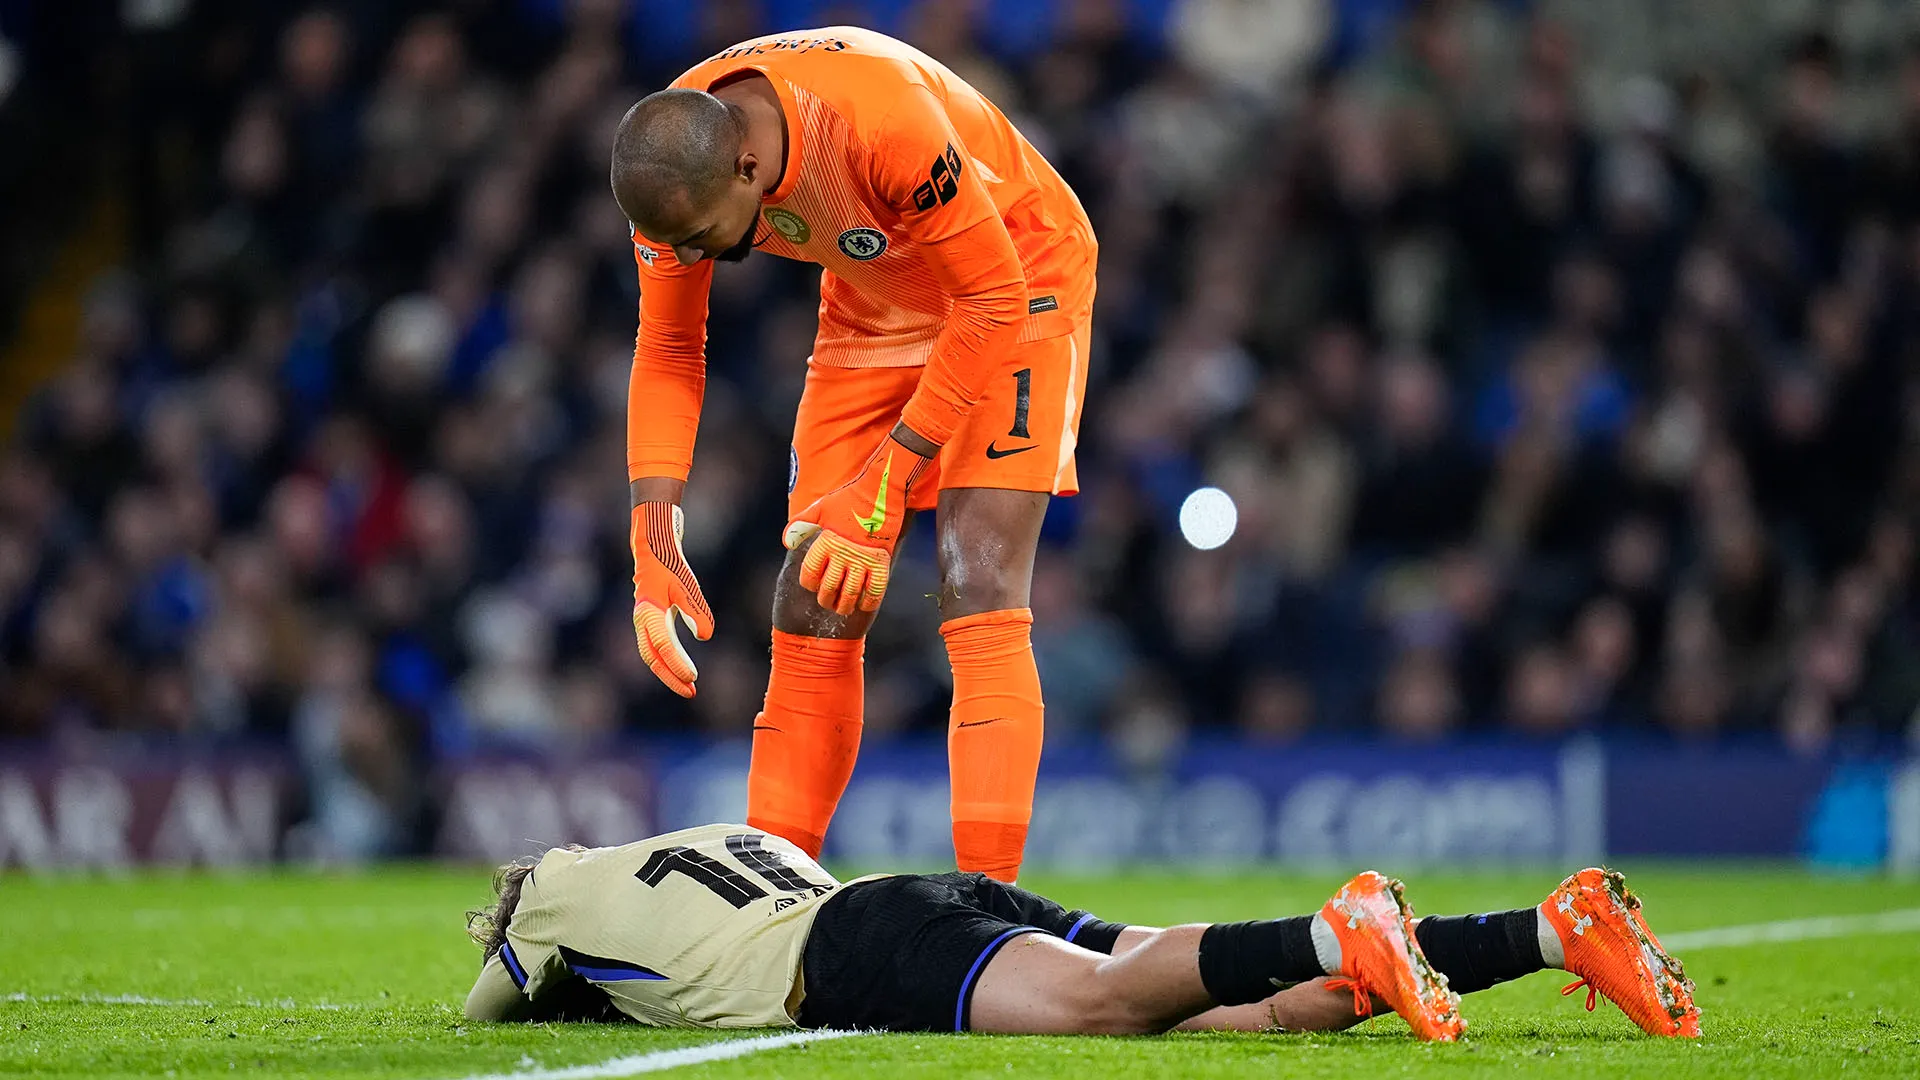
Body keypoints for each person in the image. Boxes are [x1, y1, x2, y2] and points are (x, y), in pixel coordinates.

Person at [612, 27, 1098, 882]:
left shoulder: (880, 123)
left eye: (696, 238)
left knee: (977, 578)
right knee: (813, 597)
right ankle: (777, 903)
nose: (686, 257)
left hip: (1018, 279)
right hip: (875, 302)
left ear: (749, 171)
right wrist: (653, 534)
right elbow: (668, 348)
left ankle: (991, 911)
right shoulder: (674, 161)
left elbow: (989, 300)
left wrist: (887, 478)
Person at [461, 824, 1702, 1040]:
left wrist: (521, 938)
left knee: (1101, 1007)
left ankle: (1342, 934)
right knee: (1237, 1006)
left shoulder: (556, 891)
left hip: (849, 952)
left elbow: (485, 1006)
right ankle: (1548, 931)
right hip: (909, 894)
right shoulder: (718, 837)